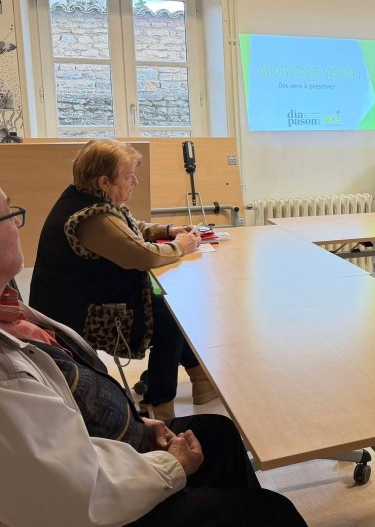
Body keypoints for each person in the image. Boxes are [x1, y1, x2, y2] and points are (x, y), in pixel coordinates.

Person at [0, 188, 308, 527]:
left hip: (111, 445)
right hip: (95, 318)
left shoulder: (97, 208)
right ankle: (164, 399)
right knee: (272, 511)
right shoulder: (92, 217)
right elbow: (75, 494)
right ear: (105, 180)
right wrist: (173, 465)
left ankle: (187, 389)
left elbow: (135, 227)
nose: (17, 222)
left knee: (217, 431)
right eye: (8, 214)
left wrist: (135, 423)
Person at [29, 139, 215, 420]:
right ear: (104, 182)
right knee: (170, 319)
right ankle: (161, 407)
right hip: (80, 317)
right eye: (129, 176)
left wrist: (167, 230)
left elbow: (129, 227)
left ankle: (200, 380)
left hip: (85, 301)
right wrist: (181, 246)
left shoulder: (86, 199)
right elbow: (142, 256)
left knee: (169, 313)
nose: (135, 182)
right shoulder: (91, 218)